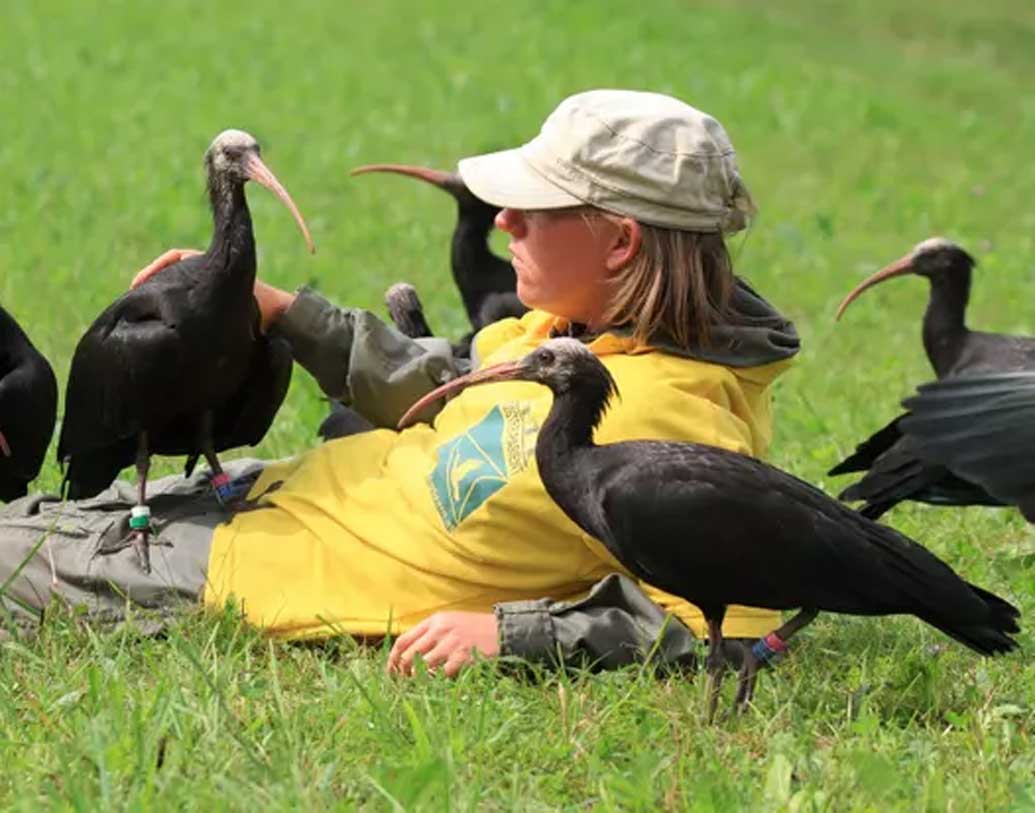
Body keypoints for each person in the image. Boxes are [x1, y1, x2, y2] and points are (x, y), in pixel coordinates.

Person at [0, 90, 798, 677]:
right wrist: (284, 313)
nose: (501, 222)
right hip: (255, 495)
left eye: (533, 206)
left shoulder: (675, 426)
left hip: (251, 574)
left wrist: (514, 634)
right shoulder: (567, 333)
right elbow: (445, 387)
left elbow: (721, 626)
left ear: (620, 243)